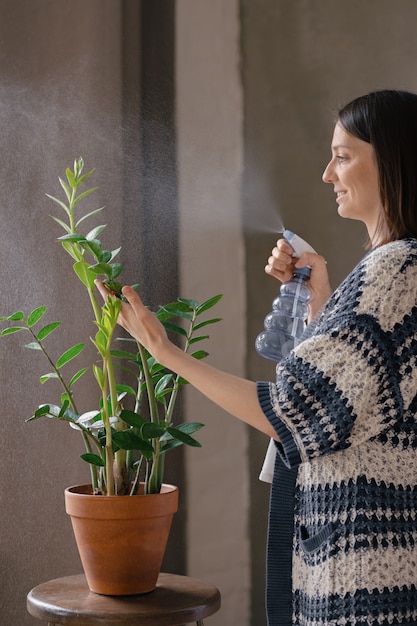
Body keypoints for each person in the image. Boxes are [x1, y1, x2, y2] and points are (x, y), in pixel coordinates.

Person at [96, 89, 417, 626]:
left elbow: (291, 411)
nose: (327, 174)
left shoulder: (396, 272)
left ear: (393, 159)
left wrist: (162, 349)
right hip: (363, 574)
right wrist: (323, 300)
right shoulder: (386, 271)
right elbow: (351, 399)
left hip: (368, 588)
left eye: (342, 156)